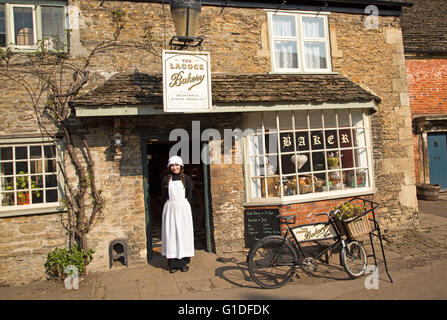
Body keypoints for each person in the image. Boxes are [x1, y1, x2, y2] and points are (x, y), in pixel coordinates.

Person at [161, 155, 194, 273]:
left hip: (183, 209)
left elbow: (189, 194)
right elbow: (164, 194)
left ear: (181, 166)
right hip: (170, 208)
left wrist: (182, 205)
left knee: (184, 234)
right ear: (169, 167)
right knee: (172, 234)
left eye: (177, 165)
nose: (175, 168)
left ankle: (184, 263)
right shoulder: (166, 179)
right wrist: (172, 204)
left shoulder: (187, 178)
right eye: (172, 165)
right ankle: (173, 264)